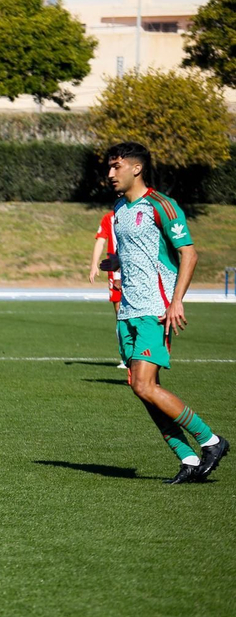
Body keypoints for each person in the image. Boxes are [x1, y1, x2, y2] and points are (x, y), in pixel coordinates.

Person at [102, 141, 226, 484]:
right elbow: (135, 252)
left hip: (155, 310)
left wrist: (176, 301)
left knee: (144, 384)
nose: (111, 174)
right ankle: (187, 458)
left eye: (117, 167)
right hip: (127, 310)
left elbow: (189, 254)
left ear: (136, 168)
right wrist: (113, 262)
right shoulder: (118, 209)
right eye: (110, 168)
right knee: (141, 387)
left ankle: (211, 441)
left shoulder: (162, 205)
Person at [88, 208, 127, 369]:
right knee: (120, 313)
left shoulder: (138, 212)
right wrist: (93, 265)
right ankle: (126, 357)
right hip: (115, 269)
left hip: (135, 268)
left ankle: (141, 355)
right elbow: (101, 240)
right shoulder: (108, 218)